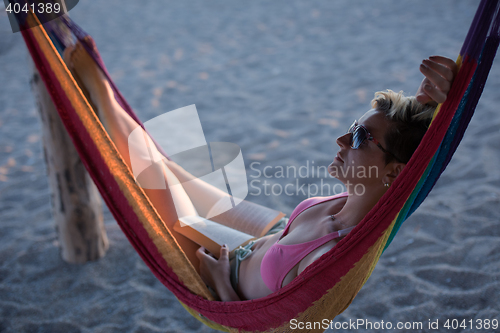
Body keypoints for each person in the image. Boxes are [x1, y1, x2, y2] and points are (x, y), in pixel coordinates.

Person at [64, 40, 457, 302]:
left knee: (150, 174)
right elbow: (414, 148)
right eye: (351, 128)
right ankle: (98, 90)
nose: (341, 140)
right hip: (268, 232)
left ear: (393, 174)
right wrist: (438, 106)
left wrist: (220, 284)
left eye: (359, 138)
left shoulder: (331, 259)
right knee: (167, 166)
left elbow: (280, 326)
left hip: (223, 266)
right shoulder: (360, 196)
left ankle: (94, 90)